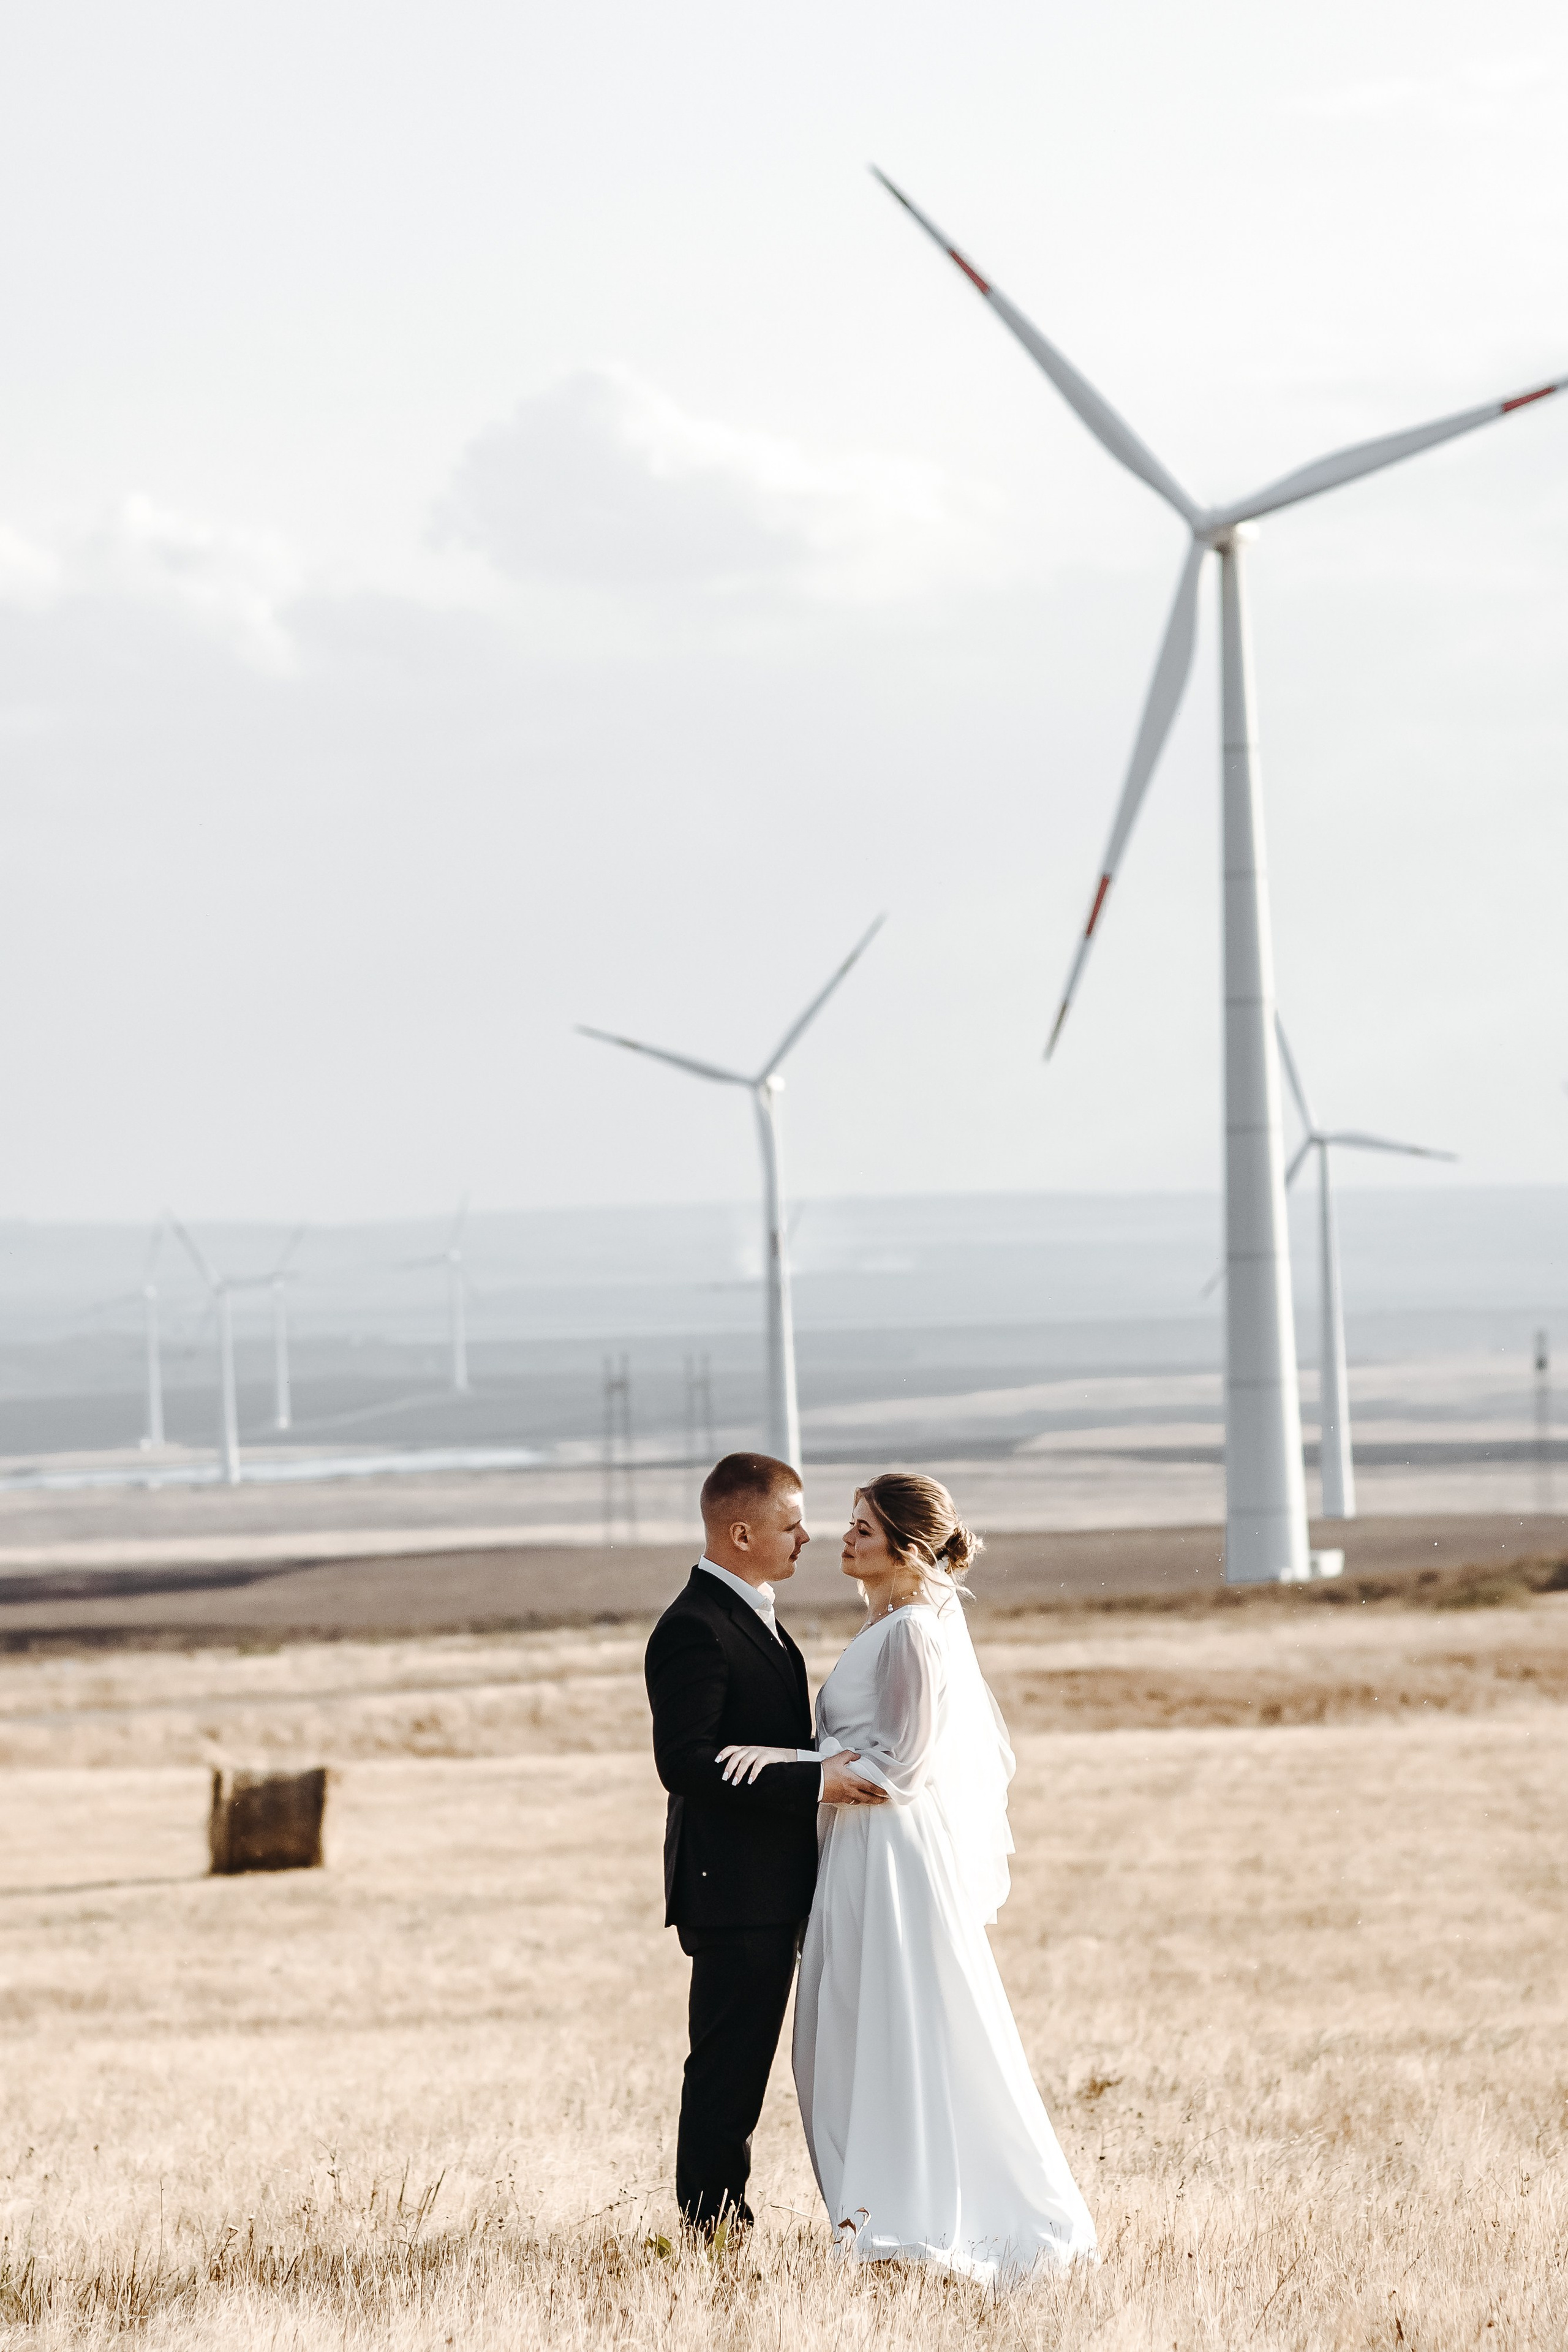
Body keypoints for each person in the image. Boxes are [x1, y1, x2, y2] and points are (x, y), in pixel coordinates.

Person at [719, 1472, 1098, 2284]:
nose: (844, 1539)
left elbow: (902, 1771)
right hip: (858, 1853)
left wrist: (788, 1763)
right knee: (851, 2033)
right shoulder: (888, 1626)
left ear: (907, 1545)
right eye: (851, 1524)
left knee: (900, 2028)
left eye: (863, 1527)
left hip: (891, 1856)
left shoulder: (917, 1634)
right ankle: (881, 2215)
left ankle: (916, 2223)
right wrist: (812, 1768)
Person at [644, 1452, 886, 2237]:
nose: (807, 1536)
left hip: (771, 1882)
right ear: (740, 1532)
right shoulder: (693, 1627)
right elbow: (684, 1763)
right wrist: (817, 1782)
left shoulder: (756, 1615)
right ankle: (712, 2230)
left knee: (743, 2067)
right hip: (732, 1888)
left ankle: (720, 2222)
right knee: (728, 2069)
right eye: (790, 1524)